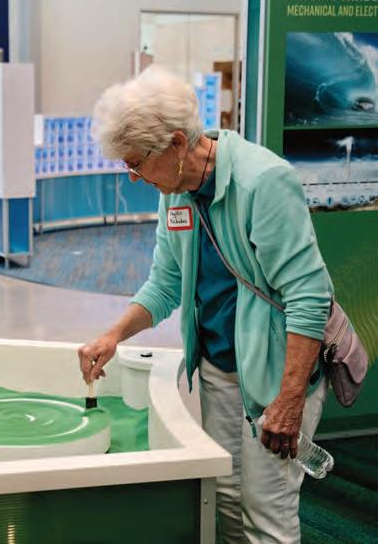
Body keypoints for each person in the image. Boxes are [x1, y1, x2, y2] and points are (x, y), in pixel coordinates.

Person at [78, 66, 332, 544]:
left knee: (267, 514)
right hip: (220, 369)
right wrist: (113, 335)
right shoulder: (175, 192)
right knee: (226, 496)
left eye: (136, 164)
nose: (133, 177)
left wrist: (289, 399)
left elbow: (309, 296)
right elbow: (165, 284)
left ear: (176, 143)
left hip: (275, 375)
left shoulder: (264, 182)